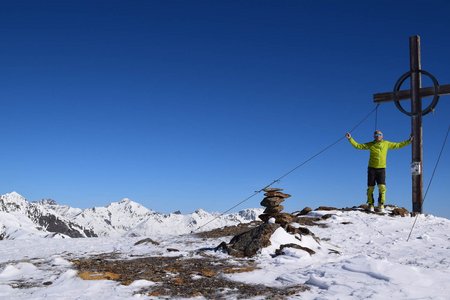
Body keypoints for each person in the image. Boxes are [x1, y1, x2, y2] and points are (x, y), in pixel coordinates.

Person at [345, 130, 412, 212]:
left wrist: (409, 141)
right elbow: (358, 146)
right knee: (370, 188)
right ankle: (371, 204)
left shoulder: (386, 144)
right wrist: (350, 139)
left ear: (382, 136)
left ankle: (381, 204)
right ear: (374, 136)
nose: (378, 135)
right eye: (376, 134)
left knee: (382, 187)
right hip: (371, 168)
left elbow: (398, 145)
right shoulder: (371, 144)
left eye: (379, 134)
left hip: (382, 169)